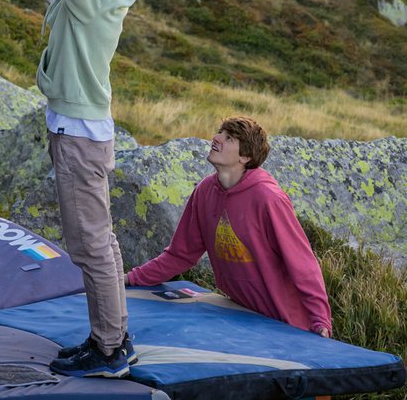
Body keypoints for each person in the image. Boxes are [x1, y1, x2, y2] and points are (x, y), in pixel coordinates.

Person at [0, 0, 154, 380]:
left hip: (82, 138)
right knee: (94, 242)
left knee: (91, 246)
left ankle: (110, 349)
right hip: (77, 129)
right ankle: (110, 339)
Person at [126, 116, 332, 337]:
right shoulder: (204, 191)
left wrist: (320, 320)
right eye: (219, 133)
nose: (216, 139)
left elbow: (302, 263)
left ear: (245, 156)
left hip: (286, 325)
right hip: (242, 317)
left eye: (229, 138)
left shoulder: (268, 199)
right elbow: (180, 255)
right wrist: (130, 278)